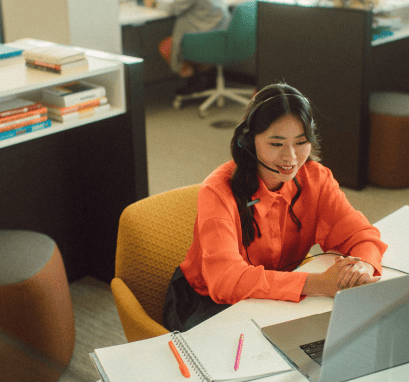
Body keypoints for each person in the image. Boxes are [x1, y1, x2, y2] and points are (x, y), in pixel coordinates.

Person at [163, 84, 389, 332]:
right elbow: (226, 281)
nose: (290, 158)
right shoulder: (217, 191)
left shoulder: (316, 178)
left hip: (277, 293)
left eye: (301, 142)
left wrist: (362, 268)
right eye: (276, 144)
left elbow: (361, 235)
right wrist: (318, 284)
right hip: (208, 302)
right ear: (249, 141)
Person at [145, 0, 230, 93]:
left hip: (204, 38)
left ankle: (192, 76)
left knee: (166, 47)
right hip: (219, 35)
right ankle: (201, 77)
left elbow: (173, 9)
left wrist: (152, 3)